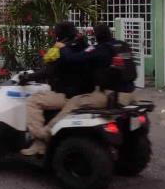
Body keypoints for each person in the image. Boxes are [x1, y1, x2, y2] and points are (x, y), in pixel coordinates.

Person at [19, 21, 91, 156]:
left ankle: (40, 137)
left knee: (33, 101)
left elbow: (47, 72)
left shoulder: (60, 49)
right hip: (85, 94)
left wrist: (27, 78)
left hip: (65, 95)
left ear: (59, 34)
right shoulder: (84, 46)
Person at [47, 23, 137, 128]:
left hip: (111, 95)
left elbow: (73, 58)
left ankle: (49, 131)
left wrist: (62, 48)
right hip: (130, 94)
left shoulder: (100, 49)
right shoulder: (122, 45)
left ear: (96, 36)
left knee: (74, 102)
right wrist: (82, 43)